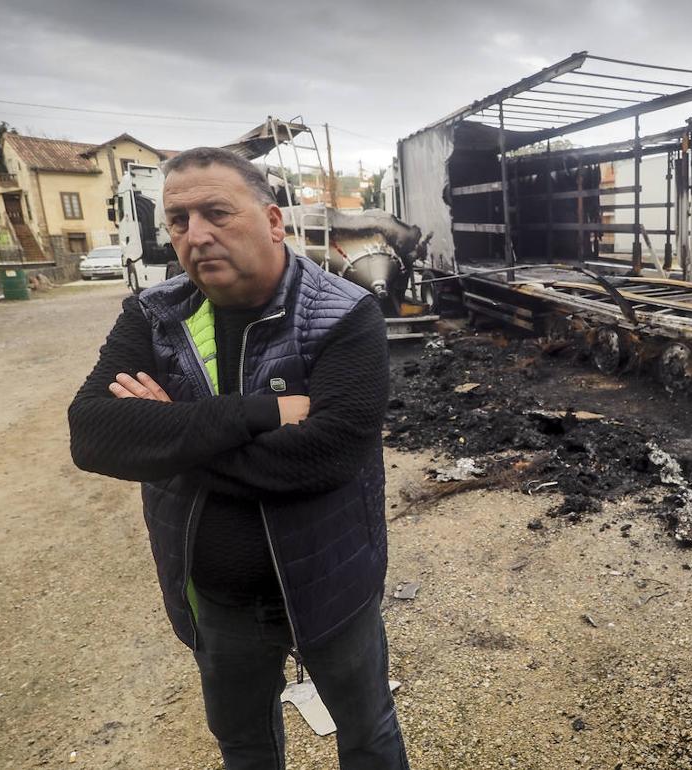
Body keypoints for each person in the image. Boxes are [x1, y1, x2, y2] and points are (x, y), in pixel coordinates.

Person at [69, 147, 409, 770]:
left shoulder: (345, 313)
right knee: (245, 746)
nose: (195, 235)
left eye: (216, 213)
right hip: (217, 597)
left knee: (369, 736)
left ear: (273, 220)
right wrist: (258, 415)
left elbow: (325, 457)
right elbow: (92, 436)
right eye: (178, 220)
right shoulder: (154, 314)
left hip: (332, 583)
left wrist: (167, 436)